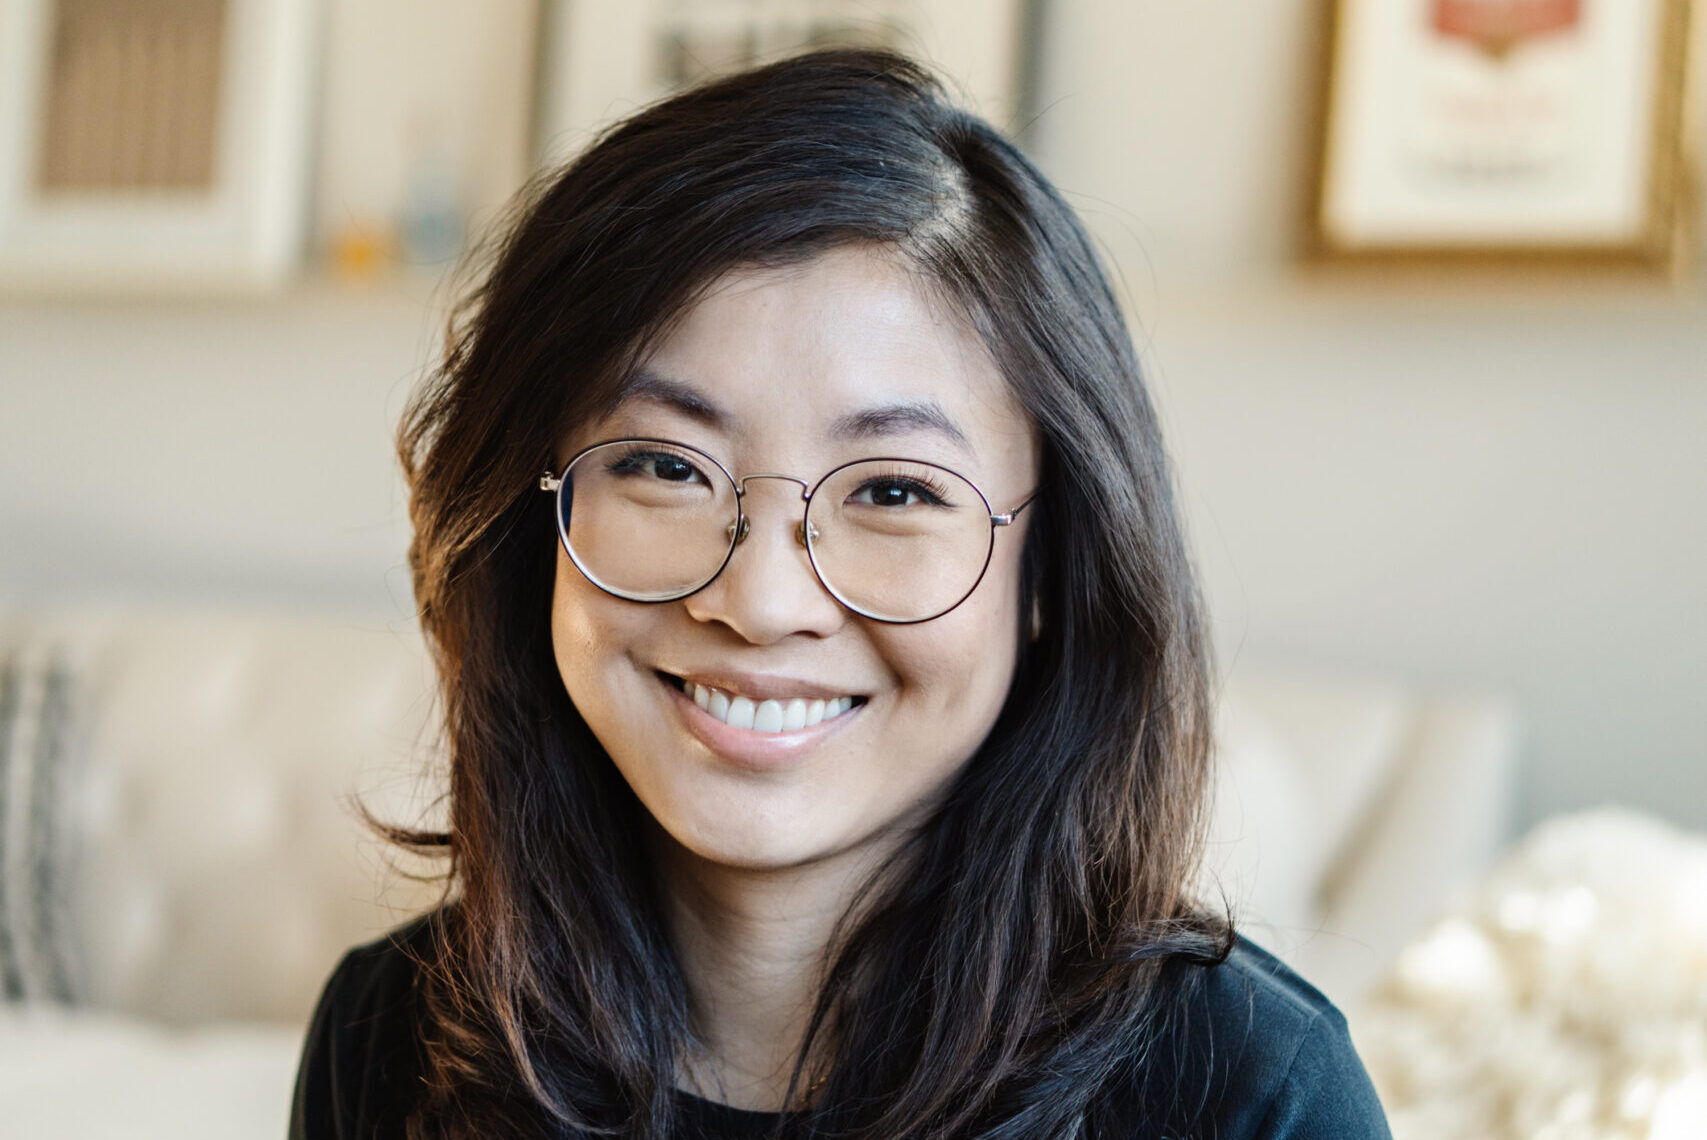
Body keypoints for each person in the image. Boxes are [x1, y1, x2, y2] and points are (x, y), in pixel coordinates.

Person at [290, 48, 1391, 1140]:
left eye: (897, 490)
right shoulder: (394, 1037)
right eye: (665, 467)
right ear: (534, 524)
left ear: (1050, 566)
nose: (761, 601)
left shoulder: (1253, 1094)